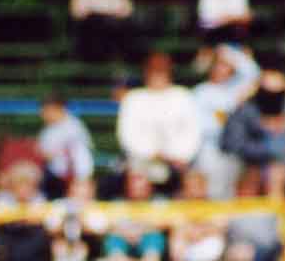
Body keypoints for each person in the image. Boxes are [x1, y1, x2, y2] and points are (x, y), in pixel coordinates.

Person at [115, 51, 201, 195]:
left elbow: (193, 133)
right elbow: (127, 135)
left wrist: (177, 155)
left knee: (194, 183)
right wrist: (152, 154)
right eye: (154, 69)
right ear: (146, 72)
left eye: (162, 70)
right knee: (136, 179)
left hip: (179, 162)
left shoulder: (184, 97)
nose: (158, 74)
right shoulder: (133, 99)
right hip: (142, 162)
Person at [190, 43, 260, 199]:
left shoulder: (234, 89)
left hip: (232, 149)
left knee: (228, 193)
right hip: (207, 149)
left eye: (225, 66)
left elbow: (253, 73)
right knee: (208, 192)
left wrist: (226, 51)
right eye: (217, 65)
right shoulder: (200, 92)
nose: (221, 69)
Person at [220, 64, 285, 200]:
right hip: (244, 155)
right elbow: (235, 144)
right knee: (253, 179)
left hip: (265, 155)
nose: (272, 96)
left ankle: (275, 215)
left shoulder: (284, 109)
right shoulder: (247, 108)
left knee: (276, 174)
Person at [92, 165, 167, 261]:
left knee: (154, 237)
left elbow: (166, 223)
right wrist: (125, 232)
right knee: (113, 238)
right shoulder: (117, 204)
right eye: (133, 183)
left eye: (141, 184)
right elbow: (107, 226)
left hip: (148, 240)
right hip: (122, 239)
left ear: (149, 186)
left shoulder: (159, 203)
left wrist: (141, 231)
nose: (137, 188)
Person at [0, 160, 51, 261]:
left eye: (28, 185)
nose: (24, 189)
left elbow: (42, 220)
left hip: (31, 237)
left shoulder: (39, 199)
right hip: (8, 237)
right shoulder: (2, 198)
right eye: (20, 184)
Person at [34, 93, 94, 197]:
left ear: (57, 109)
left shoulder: (74, 127)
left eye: (45, 110)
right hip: (54, 177)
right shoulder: (47, 131)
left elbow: (80, 158)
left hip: (72, 177)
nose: (42, 114)